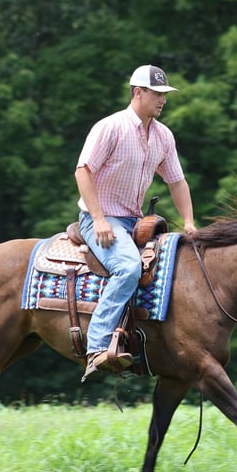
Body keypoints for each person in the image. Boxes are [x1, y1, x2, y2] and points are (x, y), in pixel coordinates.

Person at [75, 64, 197, 383]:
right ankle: (98, 346)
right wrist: (99, 218)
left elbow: (177, 182)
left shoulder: (163, 136)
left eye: (165, 95)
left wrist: (189, 223)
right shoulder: (110, 127)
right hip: (99, 218)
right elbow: (83, 171)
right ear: (137, 93)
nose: (163, 100)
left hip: (133, 221)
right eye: (157, 94)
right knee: (129, 268)